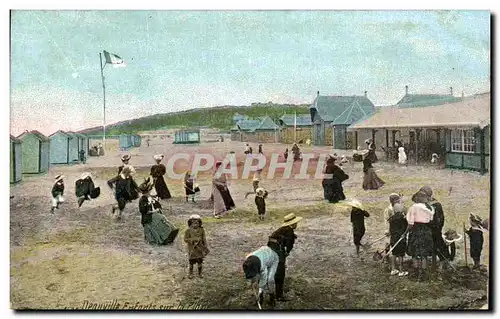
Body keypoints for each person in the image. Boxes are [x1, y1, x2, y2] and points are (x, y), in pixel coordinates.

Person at [267, 213, 302, 302]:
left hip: (270, 249)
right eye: (296, 223)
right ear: (292, 224)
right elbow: (288, 247)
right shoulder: (290, 232)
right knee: (280, 273)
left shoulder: (281, 230)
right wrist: (284, 254)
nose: (296, 225)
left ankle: (270, 289)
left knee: (272, 270)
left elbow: (271, 240)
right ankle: (278, 295)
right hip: (278, 251)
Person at [138, 178, 179, 246]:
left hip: (155, 214)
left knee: (163, 219)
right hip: (149, 217)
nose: (150, 192)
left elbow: (157, 205)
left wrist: (157, 208)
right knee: (159, 220)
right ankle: (162, 238)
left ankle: (169, 236)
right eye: (149, 190)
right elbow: (143, 210)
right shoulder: (142, 200)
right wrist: (153, 210)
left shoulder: (151, 197)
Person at [406, 190, 435, 280]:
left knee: (415, 252)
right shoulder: (430, 208)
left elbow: (410, 223)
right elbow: (431, 220)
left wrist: (406, 232)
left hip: (416, 230)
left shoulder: (413, 207)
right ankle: (423, 273)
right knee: (424, 253)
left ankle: (416, 273)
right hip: (426, 231)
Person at [419, 186, 448, 271]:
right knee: (431, 249)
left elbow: (441, 218)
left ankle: (441, 266)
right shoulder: (423, 205)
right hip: (427, 231)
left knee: (438, 247)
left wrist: (437, 228)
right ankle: (433, 265)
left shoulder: (436, 205)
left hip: (435, 230)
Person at [384, 193, 408, 276]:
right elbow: (406, 227)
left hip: (394, 237)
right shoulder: (402, 218)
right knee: (401, 254)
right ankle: (401, 271)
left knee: (394, 253)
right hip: (401, 237)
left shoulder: (392, 219)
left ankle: (393, 269)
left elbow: (389, 225)